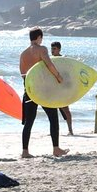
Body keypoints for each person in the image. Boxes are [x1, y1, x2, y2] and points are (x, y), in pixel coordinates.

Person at [19, 28, 69, 158]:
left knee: (29, 122)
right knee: (53, 118)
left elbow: (23, 74)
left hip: (29, 90)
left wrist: (28, 88)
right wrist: (58, 76)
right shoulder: (42, 49)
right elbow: (49, 64)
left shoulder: (23, 54)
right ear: (39, 37)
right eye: (42, 38)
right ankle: (56, 149)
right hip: (43, 90)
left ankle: (25, 151)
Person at [51, 41, 74, 135]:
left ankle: (70, 130)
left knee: (65, 109)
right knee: (52, 111)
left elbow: (69, 72)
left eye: (54, 49)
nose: (52, 51)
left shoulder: (64, 59)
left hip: (62, 87)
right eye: (51, 49)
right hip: (53, 87)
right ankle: (54, 131)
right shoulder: (50, 59)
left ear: (59, 49)